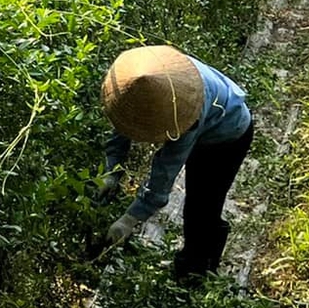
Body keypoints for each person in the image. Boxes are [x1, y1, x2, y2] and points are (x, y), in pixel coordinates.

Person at [97, 44, 254, 280]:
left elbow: (163, 175)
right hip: (210, 120)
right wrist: (111, 171)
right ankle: (197, 263)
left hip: (228, 137)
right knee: (200, 205)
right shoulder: (143, 82)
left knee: (201, 206)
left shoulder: (187, 109)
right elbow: (124, 124)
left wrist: (128, 220)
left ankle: (198, 271)